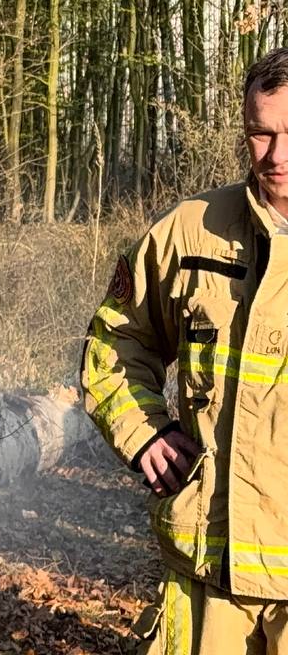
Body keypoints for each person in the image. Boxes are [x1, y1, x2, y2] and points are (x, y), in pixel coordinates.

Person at [82, 47, 288, 654]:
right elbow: (115, 341)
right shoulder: (190, 230)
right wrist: (143, 431)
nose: (276, 157)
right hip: (207, 577)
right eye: (259, 134)